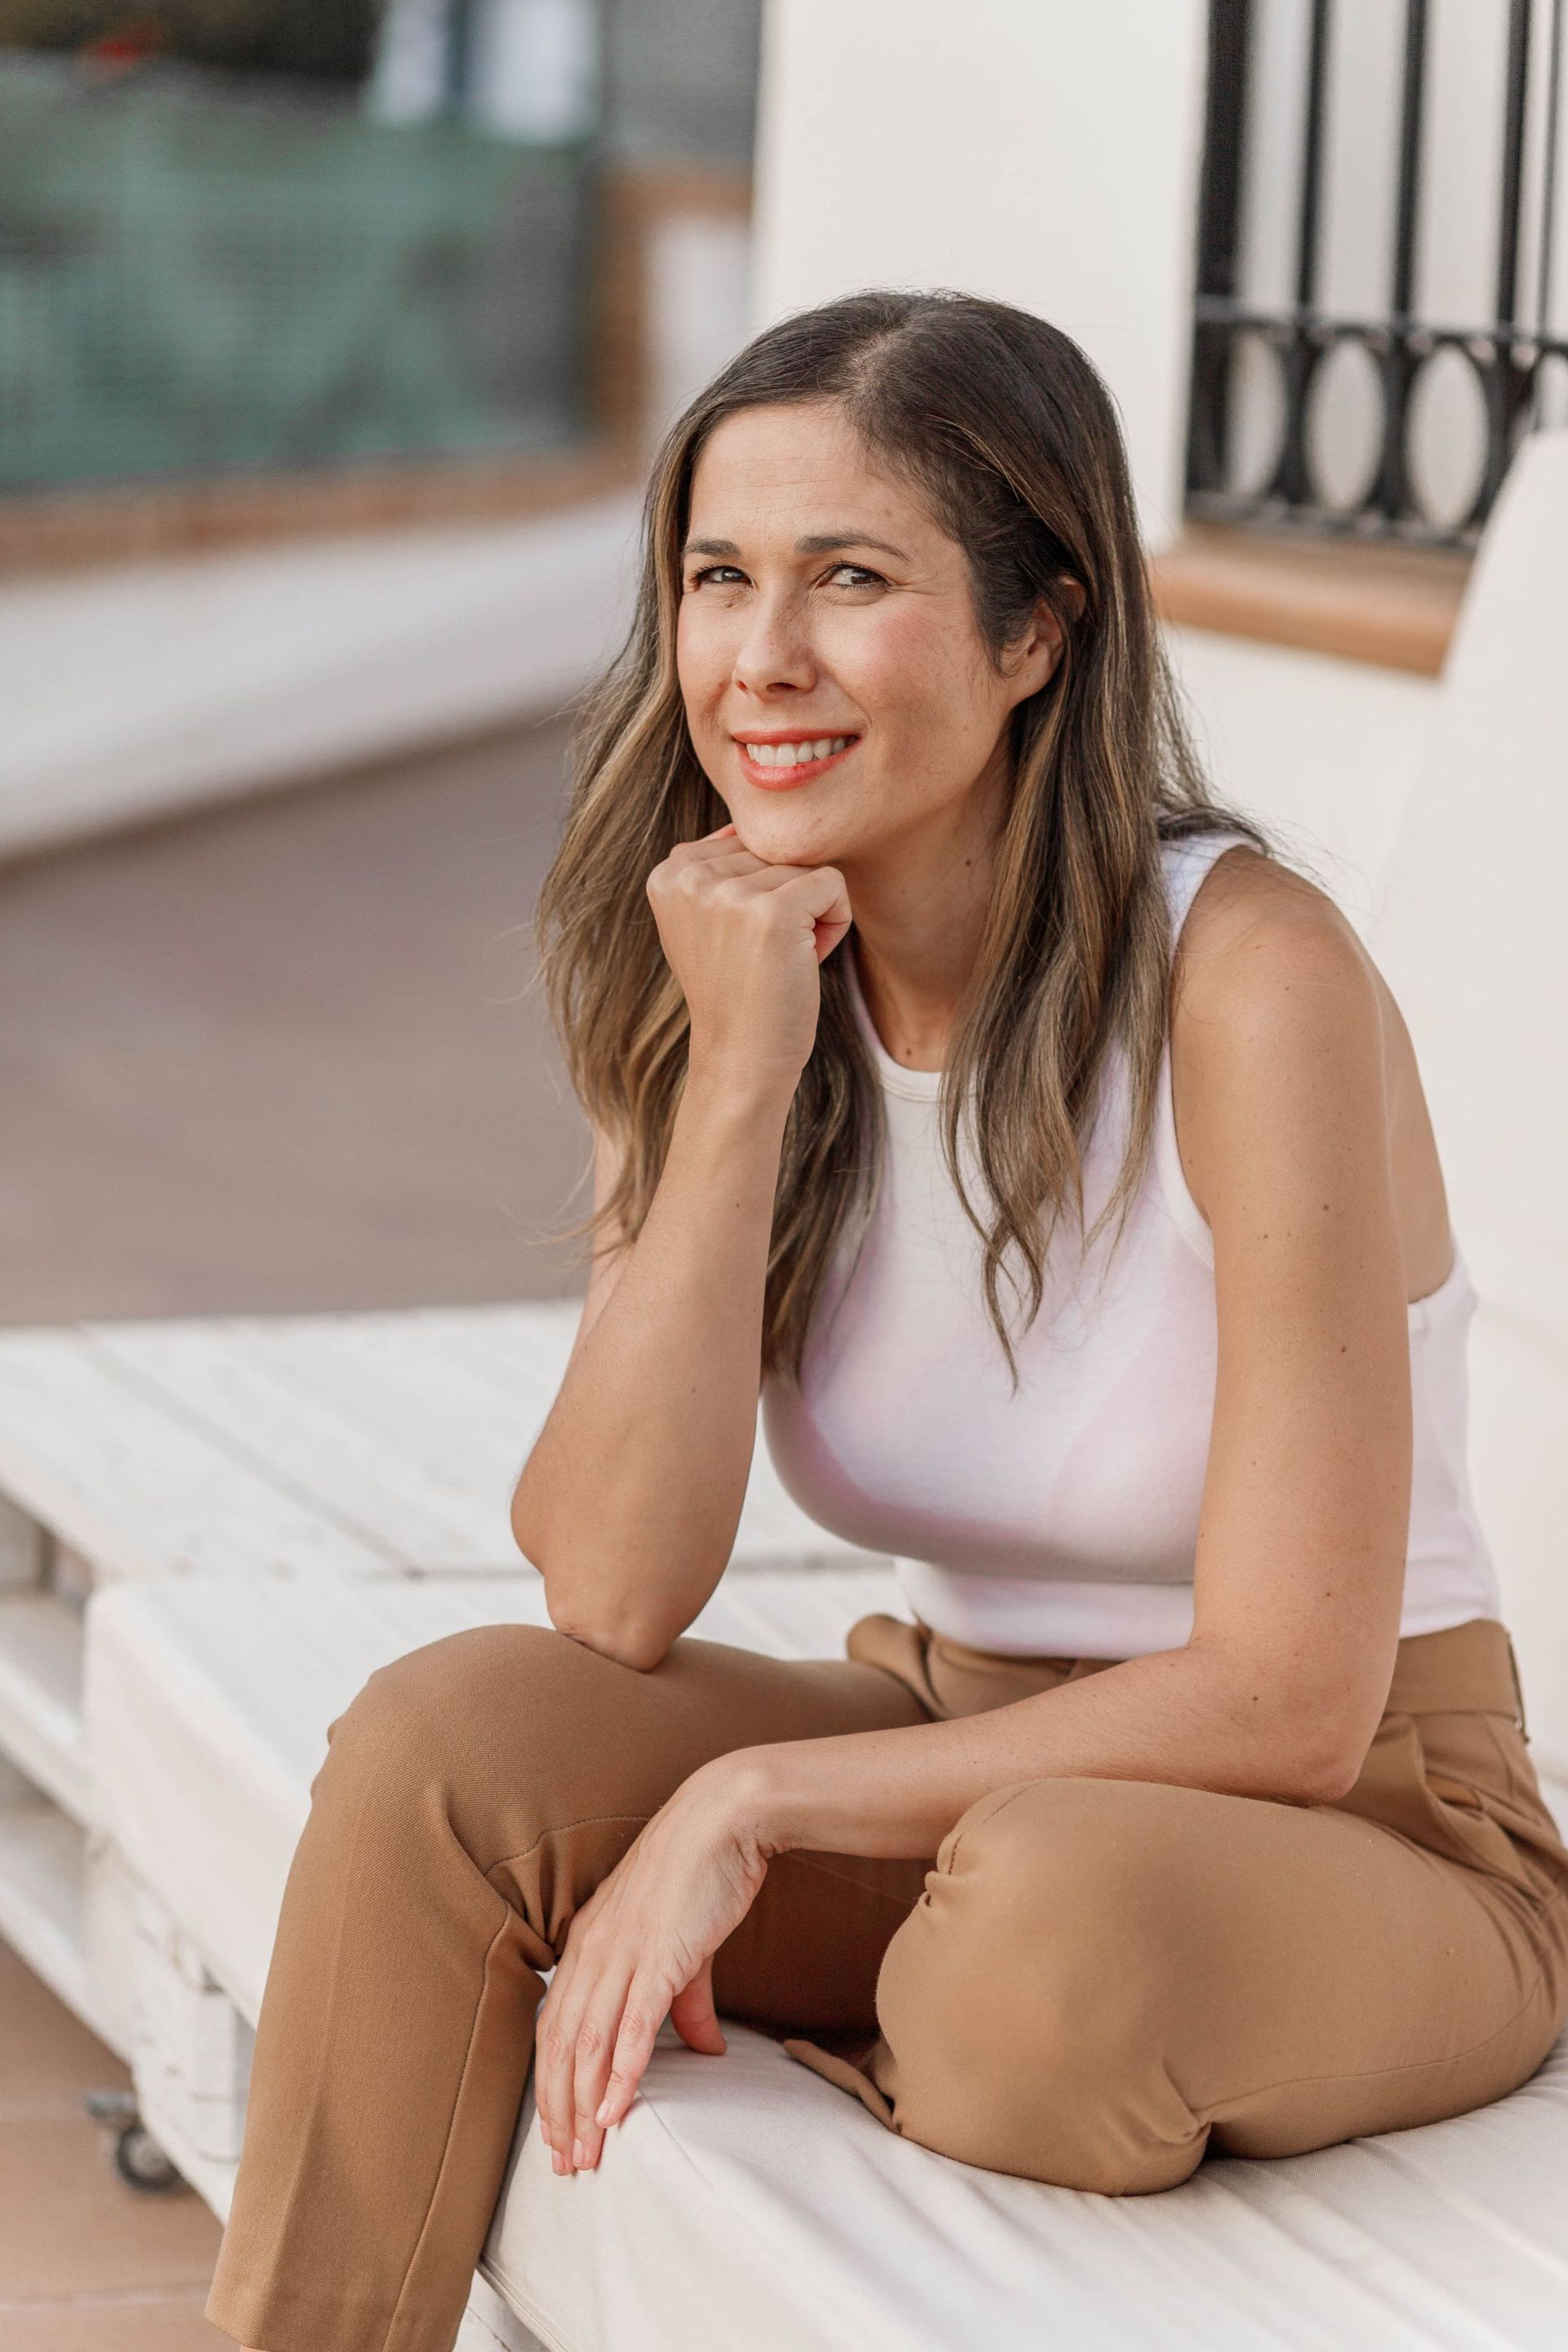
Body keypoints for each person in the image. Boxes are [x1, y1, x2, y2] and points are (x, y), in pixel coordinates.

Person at [208, 291, 1568, 2352]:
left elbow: (1293, 1699)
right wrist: (736, 1082)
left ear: (1041, 635)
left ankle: (932, 1992)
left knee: (1037, 1958)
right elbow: (610, 1584)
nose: (761, 660)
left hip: (1359, 1823)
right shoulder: (724, 955)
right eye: (717, 578)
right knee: (447, 1743)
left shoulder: (1248, 978)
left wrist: (747, 1805)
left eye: (853, 579)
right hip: (959, 1755)